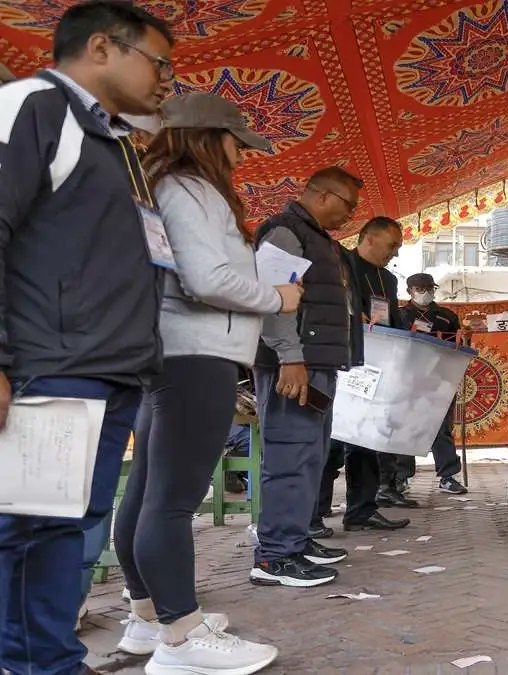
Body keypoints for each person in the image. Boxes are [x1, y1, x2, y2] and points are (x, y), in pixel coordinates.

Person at [0, 3, 173, 672]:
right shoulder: (32, 107)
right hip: (51, 366)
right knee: (26, 532)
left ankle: (51, 661)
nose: (165, 79)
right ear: (101, 46)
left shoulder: (116, 143)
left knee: (64, 532)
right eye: (158, 62)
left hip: (108, 370)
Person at [111, 92, 290, 671]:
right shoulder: (189, 190)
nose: (242, 154)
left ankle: (148, 619)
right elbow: (206, 278)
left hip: (172, 352)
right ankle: (183, 639)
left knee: (147, 493)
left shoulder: (164, 185)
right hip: (197, 354)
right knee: (170, 502)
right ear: (209, 138)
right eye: (237, 141)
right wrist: (276, 297)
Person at [250, 166, 363, 588]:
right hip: (293, 366)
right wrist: (290, 357)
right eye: (347, 204)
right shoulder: (285, 233)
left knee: (310, 455)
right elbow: (273, 300)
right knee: (288, 456)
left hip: (316, 365)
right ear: (322, 196)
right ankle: (274, 557)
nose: (350, 214)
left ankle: (296, 540)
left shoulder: (319, 240)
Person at [327, 216, 411, 532]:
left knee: (365, 440)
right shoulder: (341, 264)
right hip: (342, 363)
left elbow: (391, 319)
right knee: (333, 441)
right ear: (368, 238)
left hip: (375, 367)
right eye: (392, 246)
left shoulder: (388, 280)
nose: (395, 254)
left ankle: (361, 510)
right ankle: (315, 514)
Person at [379, 273, 469, 500]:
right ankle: (401, 477)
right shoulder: (399, 315)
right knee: (404, 428)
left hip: (439, 380)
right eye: (421, 288)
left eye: (430, 287)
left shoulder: (447, 316)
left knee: (441, 429)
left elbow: (460, 346)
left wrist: (464, 337)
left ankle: (448, 476)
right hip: (405, 381)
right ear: (409, 291)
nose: (426, 291)